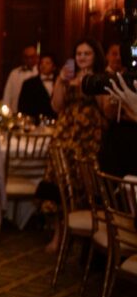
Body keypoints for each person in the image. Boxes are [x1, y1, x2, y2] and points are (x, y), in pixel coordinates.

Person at [42, 38, 110, 252]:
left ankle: (83, 241)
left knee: (84, 185)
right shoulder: (66, 76)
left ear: (95, 56)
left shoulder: (102, 78)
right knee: (62, 186)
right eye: (78, 53)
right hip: (65, 135)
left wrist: (92, 84)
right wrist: (61, 81)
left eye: (86, 53)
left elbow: (107, 110)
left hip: (88, 137)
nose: (81, 57)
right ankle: (58, 234)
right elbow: (57, 106)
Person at [17, 53, 57, 120]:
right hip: (35, 123)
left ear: (54, 66)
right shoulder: (29, 84)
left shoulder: (59, 82)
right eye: (41, 63)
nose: (43, 65)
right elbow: (22, 107)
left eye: (47, 63)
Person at [2, 45, 39, 113]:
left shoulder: (39, 73)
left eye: (32, 57)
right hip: (15, 112)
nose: (29, 60)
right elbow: (7, 94)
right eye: (26, 57)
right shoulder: (14, 73)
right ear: (23, 58)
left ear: (37, 57)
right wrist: (6, 112)